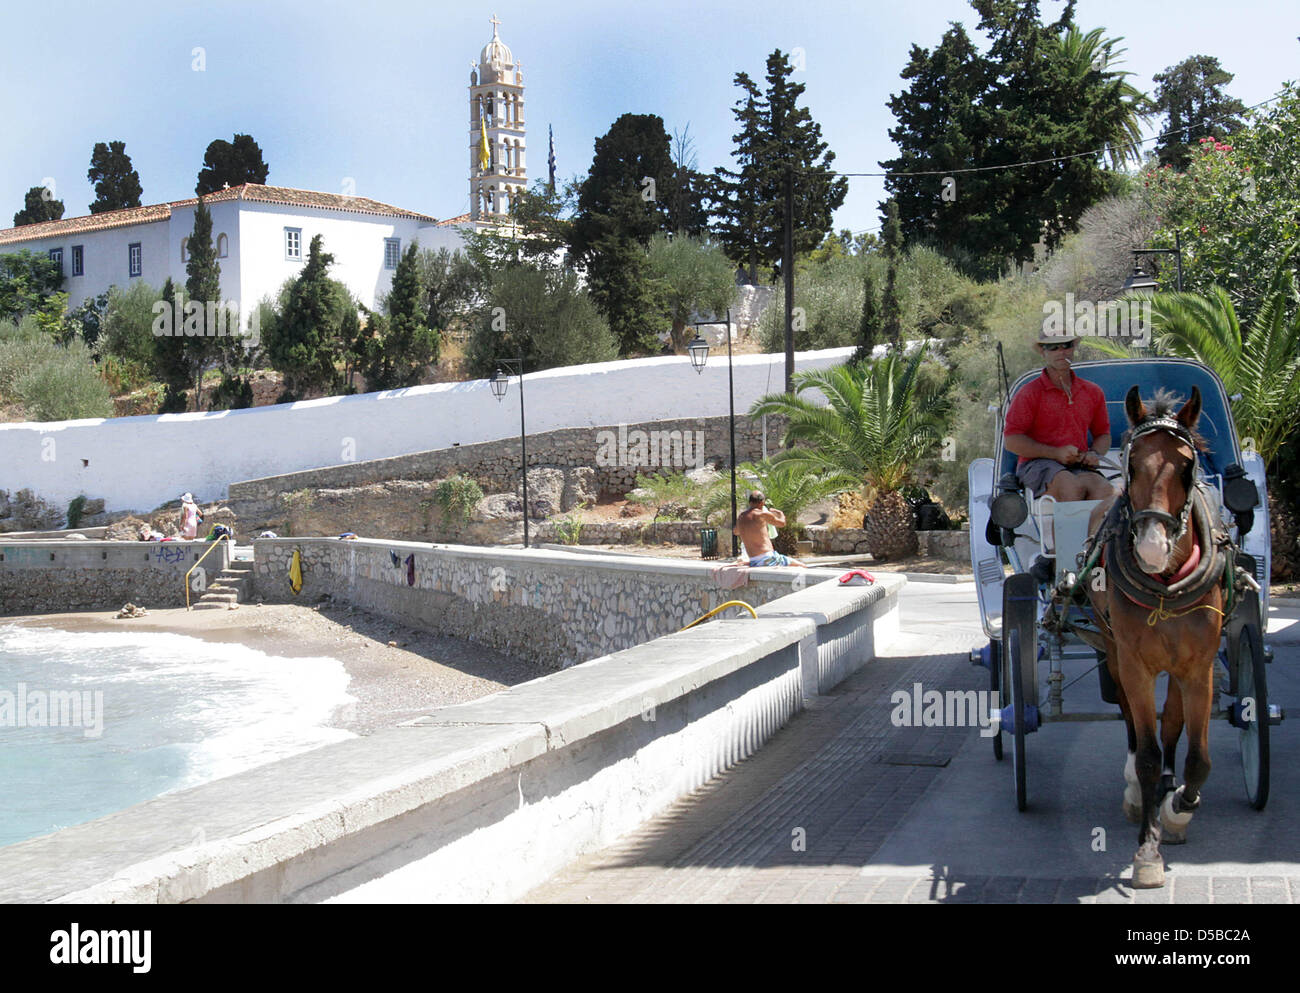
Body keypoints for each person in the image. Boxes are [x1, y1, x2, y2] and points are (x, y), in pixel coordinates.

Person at [1003, 331, 1114, 501]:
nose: (1061, 351)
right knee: (1069, 487)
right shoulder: (1029, 393)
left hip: (1078, 467)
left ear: (1073, 348)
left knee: (1105, 491)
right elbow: (1012, 441)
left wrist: (1094, 453)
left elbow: (1103, 434)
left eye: (1067, 345)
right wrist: (1055, 453)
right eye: (1053, 347)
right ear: (1042, 351)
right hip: (1035, 464)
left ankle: (1095, 528)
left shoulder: (1093, 392)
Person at [735, 490, 807, 567]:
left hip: (754, 560)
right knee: (802, 566)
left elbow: (736, 532)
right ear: (762, 502)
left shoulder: (741, 517)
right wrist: (781, 514)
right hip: (768, 558)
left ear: (750, 502)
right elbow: (782, 523)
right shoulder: (762, 514)